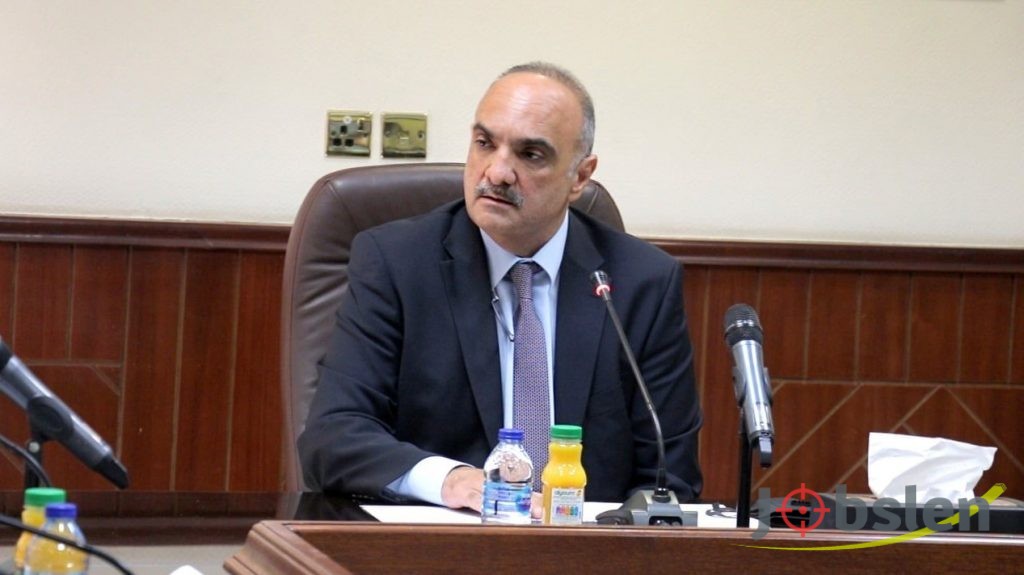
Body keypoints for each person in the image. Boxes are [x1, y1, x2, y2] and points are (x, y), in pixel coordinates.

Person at [298, 62, 702, 513]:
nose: (497, 172)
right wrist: (450, 480)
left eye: (531, 155)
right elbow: (333, 436)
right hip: (436, 538)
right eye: (485, 143)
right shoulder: (396, 263)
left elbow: (670, 478)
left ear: (580, 177)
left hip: (585, 542)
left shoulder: (642, 283)